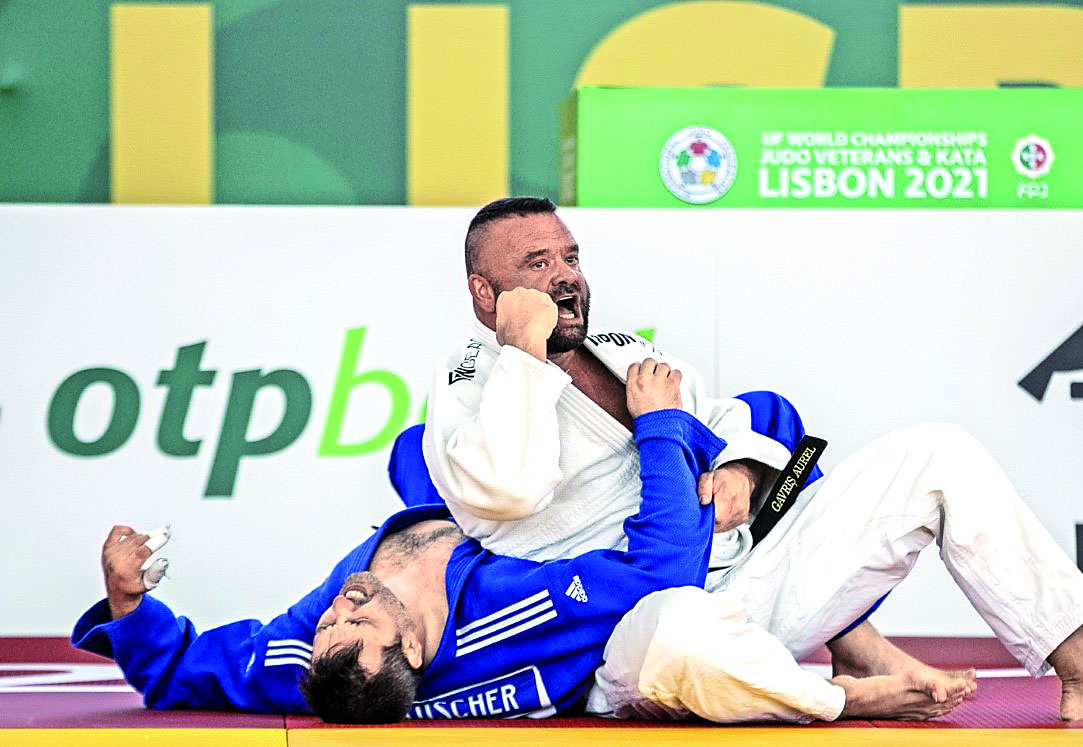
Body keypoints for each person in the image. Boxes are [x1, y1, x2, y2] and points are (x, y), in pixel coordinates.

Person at [420, 196, 1083, 722]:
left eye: (570, 257)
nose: (564, 276)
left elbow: (722, 419)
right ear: (485, 293)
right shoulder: (470, 381)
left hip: (747, 578)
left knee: (938, 453)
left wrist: (740, 470)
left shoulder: (619, 349)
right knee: (683, 637)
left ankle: (1076, 655)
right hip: (630, 631)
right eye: (536, 264)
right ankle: (842, 698)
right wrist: (523, 354)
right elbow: (507, 489)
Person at [75, 367, 944, 723]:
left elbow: (181, 670)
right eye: (356, 620)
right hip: (653, 606)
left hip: (516, 539)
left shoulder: (316, 657)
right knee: (764, 451)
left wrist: (128, 603)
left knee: (411, 455)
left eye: (330, 624)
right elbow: (659, 568)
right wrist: (673, 433)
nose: (337, 607)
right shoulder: (506, 612)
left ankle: (851, 638)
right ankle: (845, 675)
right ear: (412, 645)